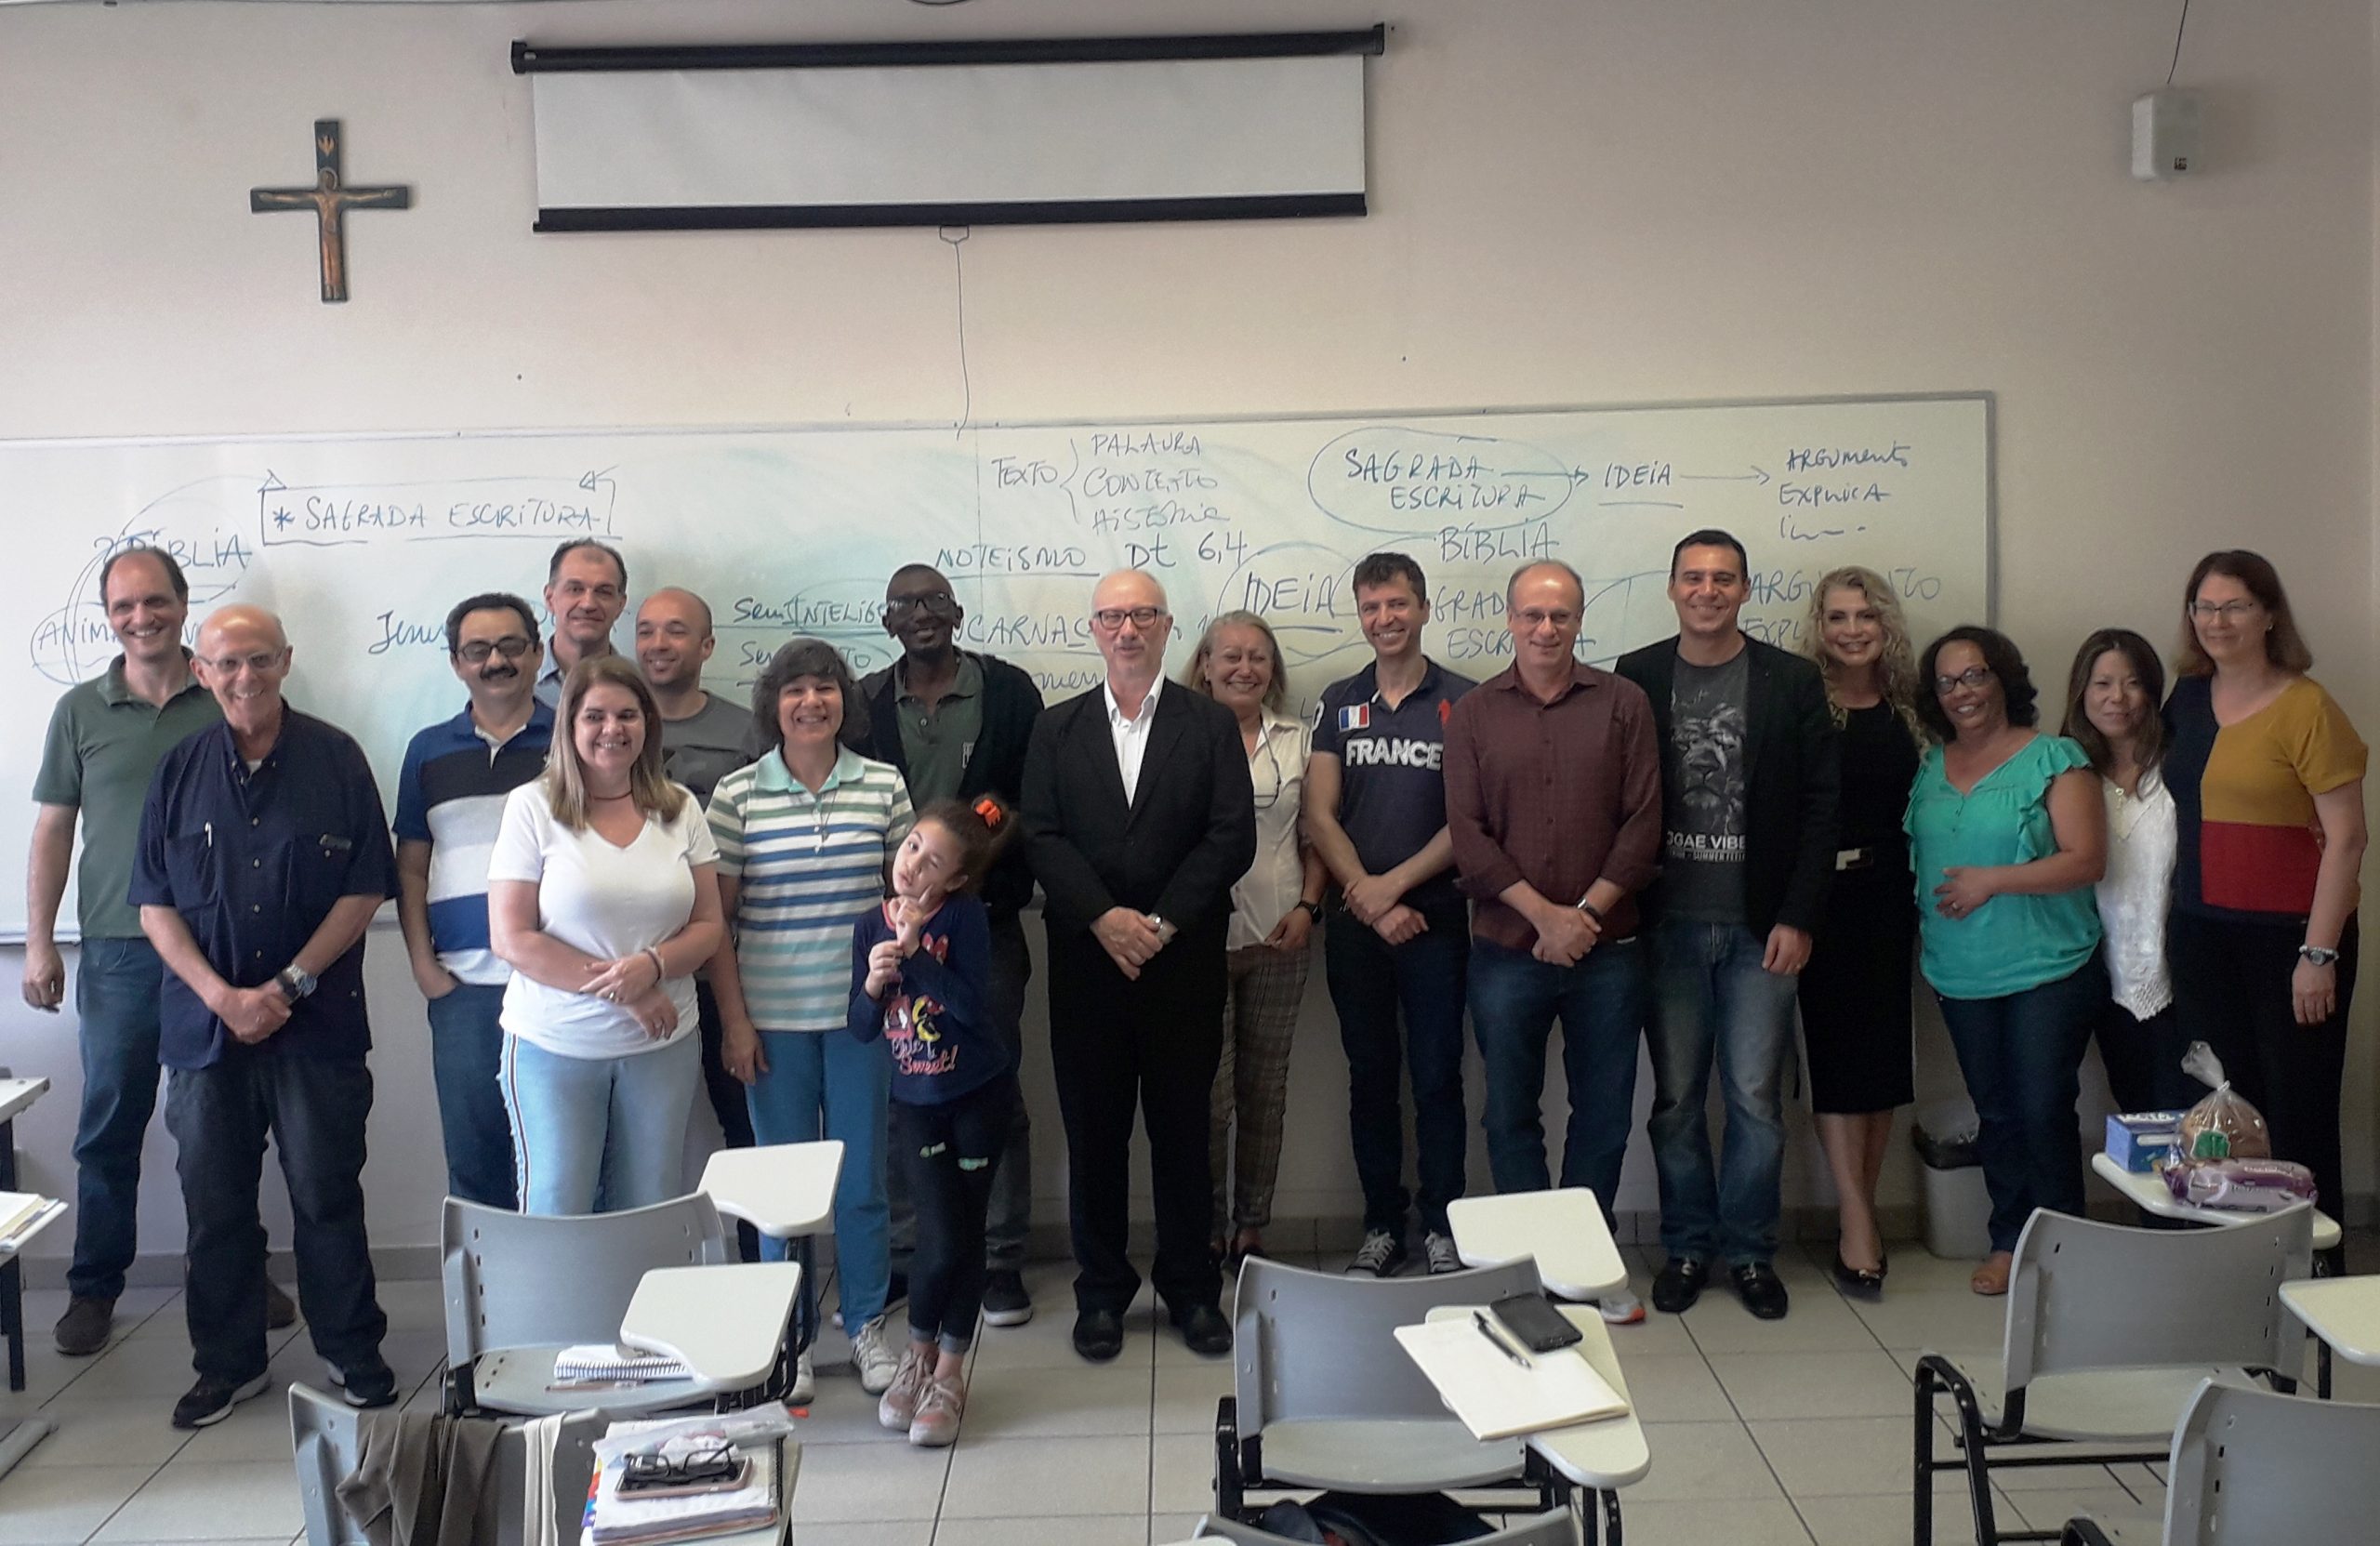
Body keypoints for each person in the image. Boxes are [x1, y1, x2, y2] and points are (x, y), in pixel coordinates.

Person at [25, 547, 298, 1356]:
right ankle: (93, 1287)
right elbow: (53, 831)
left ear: (183, 604)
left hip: (220, 949)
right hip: (119, 951)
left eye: (154, 601)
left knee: (221, 1125)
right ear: (109, 617)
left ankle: (236, 1270)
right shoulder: (80, 710)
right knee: (110, 1124)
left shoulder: (229, 691)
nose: (140, 617)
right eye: (123, 606)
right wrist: (39, 943)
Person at [130, 604, 399, 1428]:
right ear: (201, 672)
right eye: (226, 663)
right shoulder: (178, 769)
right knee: (214, 1205)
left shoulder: (337, 758)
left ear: (284, 660)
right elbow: (153, 903)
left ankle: (350, 1350)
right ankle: (228, 1363)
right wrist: (223, 998)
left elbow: (365, 886)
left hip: (315, 1026)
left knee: (325, 1193)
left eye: (258, 659)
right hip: (204, 1032)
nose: (243, 677)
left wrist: (287, 985)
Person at [1022, 570, 1255, 1362]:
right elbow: (1041, 835)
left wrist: (1159, 923)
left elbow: (1231, 835)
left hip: (1182, 961)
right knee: (1095, 1136)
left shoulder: (1210, 723)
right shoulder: (1055, 728)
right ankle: (1101, 1293)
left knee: (1184, 1130)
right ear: (1094, 629)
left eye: (1143, 615)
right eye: (1113, 616)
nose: (1128, 629)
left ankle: (1192, 1289)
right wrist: (1103, 917)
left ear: (1165, 625)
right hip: (1088, 967)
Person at [1617, 530, 1837, 1322]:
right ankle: (1685, 1245)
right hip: (1667, 925)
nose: (1707, 590)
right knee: (1676, 1099)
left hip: (1760, 929)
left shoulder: (1791, 678)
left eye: (1723, 577)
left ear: (1745, 589)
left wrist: (1799, 915)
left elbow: (1821, 805)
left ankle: (1749, 1251)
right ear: (1672, 588)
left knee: (1753, 1099)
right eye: (1693, 576)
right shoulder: (1638, 673)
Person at [1444, 561, 1661, 1322]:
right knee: (1509, 1113)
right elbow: (1468, 835)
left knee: (1603, 1115)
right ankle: (1529, 1271)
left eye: (1560, 615)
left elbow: (1643, 823)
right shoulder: (1473, 713)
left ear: (1579, 620)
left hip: (1611, 950)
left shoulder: (1624, 703)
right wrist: (1545, 917)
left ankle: (1585, 1268)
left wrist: (1583, 916)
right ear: (1510, 619)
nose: (1546, 628)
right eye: (1532, 614)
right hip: (1507, 949)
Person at [707, 639, 916, 1402]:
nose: (811, 702)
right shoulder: (737, 794)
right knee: (781, 1193)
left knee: (861, 1184)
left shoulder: (883, 784)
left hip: (863, 1020)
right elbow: (717, 924)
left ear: (844, 701)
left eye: (825, 688)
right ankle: (786, 1339)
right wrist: (735, 1023)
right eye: (795, 689)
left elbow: (906, 899)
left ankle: (864, 1325)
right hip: (771, 1023)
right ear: (774, 704)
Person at [2162, 551, 2366, 1271]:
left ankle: (2314, 1276)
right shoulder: (2187, 697)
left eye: (2235, 606)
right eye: (2205, 607)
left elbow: (2348, 838)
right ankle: (2238, 1274)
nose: (2216, 621)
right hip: (2202, 931)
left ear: (2270, 614)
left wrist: (2319, 953)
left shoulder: (2307, 706)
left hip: (2293, 941)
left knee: (2296, 1112)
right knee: (2224, 1111)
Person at [856, 562, 1045, 1328]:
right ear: (888, 621)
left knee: (993, 1085)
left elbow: (1027, 795)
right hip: (895, 928)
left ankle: (998, 1257)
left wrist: (974, 844)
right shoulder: (866, 703)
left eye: (935, 599)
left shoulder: (1007, 692)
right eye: (905, 603)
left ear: (958, 612)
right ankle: (916, 1253)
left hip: (982, 925)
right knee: (908, 1092)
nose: (921, 613)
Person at [486, 655, 726, 1219]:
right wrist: (628, 990)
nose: (612, 729)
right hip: (556, 1045)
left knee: (649, 1206)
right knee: (557, 1205)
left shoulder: (680, 808)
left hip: (662, 1045)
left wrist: (653, 965)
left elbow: (709, 925)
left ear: (648, 724)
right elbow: (512, 937)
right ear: (570, 725)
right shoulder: (532, 807)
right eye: (594, 716)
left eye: (627, 715)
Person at [1905, 627, 2106, 1297]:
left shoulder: (2055, 758)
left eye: (1975, 675)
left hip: (2047, 967)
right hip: (1959, 971)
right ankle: (2009, 1239)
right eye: (1947, 681)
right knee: (1995, 1112)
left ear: (2004, 678)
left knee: (2043, 1106)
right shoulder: (1932, 765)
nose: (1962, 691)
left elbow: (2086, 859)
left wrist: (1992, 881)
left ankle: (2063, 1245)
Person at [1305, 552, 1476, 1278]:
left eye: (1398, 603)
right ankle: (1381, 1224)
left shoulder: (1464, 701)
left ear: (1424, 608)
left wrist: (1394, 888)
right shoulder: (1339, 700)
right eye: (1372, 606)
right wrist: (1368, 899)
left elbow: (1470, 818)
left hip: (1437, 920)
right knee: (1370, 1075)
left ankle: (1442, 1226)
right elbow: (1319, 813)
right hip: (1357, 927)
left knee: (1437, 1076)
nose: (1385, 618)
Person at [853, 797, 1021, 1448]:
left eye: (933, 862)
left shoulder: (965, 916)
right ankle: (917, 1356)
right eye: (912, 846)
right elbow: (861, 1026)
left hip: (978, 1096)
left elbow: (974, 1009)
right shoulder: (869, 923)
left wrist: (918, 955)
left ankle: (946, 1371)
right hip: (916, 1104)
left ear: (956, 879)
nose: (914, 865)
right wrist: (875, 983)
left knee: (966, 1232)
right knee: (941, 1236)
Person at [392, 592, 552, 1210]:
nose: (496, 661)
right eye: (478, 649)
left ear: (537, 653)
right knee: (475, 1155)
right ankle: (487, 1276)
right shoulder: (428, 750)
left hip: (557, 981)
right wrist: (423, 966)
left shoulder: (573, 738)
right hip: (462, 988)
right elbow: (412, 867)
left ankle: (565, 1271)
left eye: (511, 646)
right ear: (457, 663)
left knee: (560, 1153)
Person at [1183, 611, 1327, 1271]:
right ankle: (1207, 1223)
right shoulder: (1176, 737)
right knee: (1209, 1099)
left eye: (1258, 658)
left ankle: (1251, 1227)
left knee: (1264, 1092)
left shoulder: (1298, 741)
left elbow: (1315, 835)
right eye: (1231, 656)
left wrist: (1308, 908)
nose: (1244, 668)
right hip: (1199, 945)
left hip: (1279, 938)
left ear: (1273, 670)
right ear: (1205, 665)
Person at [1794, 567, 1922, 1297]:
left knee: (1882, 1066)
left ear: (1885, 625)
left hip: (1893, 900)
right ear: (1820, 626)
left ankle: (1861, 1213)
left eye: (1865, 616)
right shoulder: (1804, 704)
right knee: (1837, 1065)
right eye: (1838, 617)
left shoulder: (1911, 708)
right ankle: (1855, 1222)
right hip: (1824, 901)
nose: (1851, 630)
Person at [634, 585, 763, 1258]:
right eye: (647, 630)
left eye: (676, 630)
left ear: (707, 645)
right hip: (631, 974)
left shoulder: (748, 732)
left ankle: (762, 1273)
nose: (659, 644)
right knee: (644, 1137)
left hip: (725, 967)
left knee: (746, 1129)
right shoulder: (611, 726)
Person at [2061, 628, 2196, 1116]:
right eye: (2102, 684)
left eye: (2132, 683)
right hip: (2097, 972)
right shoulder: (2066, 773)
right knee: (2137, 1111)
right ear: (2082, 693)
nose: (2117, 698)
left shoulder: (2181, 765)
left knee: (2192, 1112)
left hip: (2186, 971)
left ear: (2153, 691)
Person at [534, 538, 628, 706]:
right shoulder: (517, 682)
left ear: (620, 605)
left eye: (603, 592)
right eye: (575, 589)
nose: (588, 604)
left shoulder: (639, 686)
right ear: (549, 598)